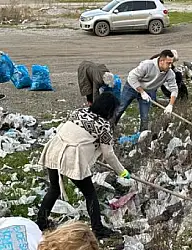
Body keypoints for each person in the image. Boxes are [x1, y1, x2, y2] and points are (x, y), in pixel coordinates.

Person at [37, 92, 129, 238]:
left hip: (55, 149)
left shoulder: (79, 112)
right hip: (72, 158)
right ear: (110, 110)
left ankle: (40, 223)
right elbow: (109, 155)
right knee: (90, 194)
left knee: (54, 189)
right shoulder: (103, 126)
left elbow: (73, 132)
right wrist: (122, 172)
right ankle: (98, 229)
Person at [114, 49, 179, 133]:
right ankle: (110, 128)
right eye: (168, 63)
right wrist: (141, 92)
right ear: (161, 61)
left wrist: (170, 105)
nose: (170, 66)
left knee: (145, 117)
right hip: (132, 87)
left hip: (147, 92)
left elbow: (174, 89)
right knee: (120, 108)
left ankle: (142, 137)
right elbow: (132, 77)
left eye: (171, 63)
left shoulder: (170, 74)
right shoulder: (147, 65)